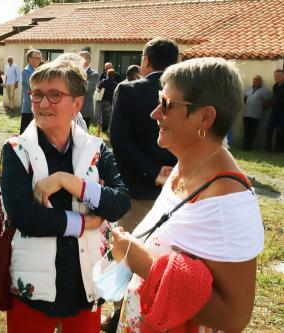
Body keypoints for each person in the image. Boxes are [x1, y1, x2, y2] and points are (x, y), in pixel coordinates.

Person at [111, 57, 264, 332]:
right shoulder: (185, 166)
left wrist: (139, 259)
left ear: (205, 117)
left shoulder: (227, 202)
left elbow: (233, 318)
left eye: (167, 104)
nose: (155, 113)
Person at [1, 60, 130, 333]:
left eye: (54, 95)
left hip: (85, 282)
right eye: (36, 94)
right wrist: (84, 222)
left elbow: (119, 203)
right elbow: (25, 216)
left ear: (77, 103)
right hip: (32, 285)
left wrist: (67, 181)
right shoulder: (16, 150)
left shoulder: (96, 149)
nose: (42, 103)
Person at [110, 37, 178, 233]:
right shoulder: (180, 93)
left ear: (145, 60)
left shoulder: (129, 90)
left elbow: (119, 140)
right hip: (173, 185)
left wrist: (153, 170)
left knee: (128, 252)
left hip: (137, 187)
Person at [242, 75, 271, 150]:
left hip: (255, 115)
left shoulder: (264, 91)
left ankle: (249, 147)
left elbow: (267, 103)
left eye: (257, 79)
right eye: (254, 79)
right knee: (246, 131)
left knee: (252, 132)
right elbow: (245, 99)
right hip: (247, 114)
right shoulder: (249, 89)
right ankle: (244, 146)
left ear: (260, 81)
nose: (255, 81)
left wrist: (259, 109)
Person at [20, 49, 42, 134]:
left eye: (40, 58)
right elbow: (29, 88)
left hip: (38, 105)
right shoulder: (26, 71)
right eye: (36, 58)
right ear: (29, 59)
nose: (39, 60)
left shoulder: (38, 70)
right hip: (29, 106)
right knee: (25, 131)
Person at [78, 51, 99, 129]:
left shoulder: (93, 74)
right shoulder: (75, 71)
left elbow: (86, 88)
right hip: (72, 109)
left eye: (79, 58)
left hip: (85, 110)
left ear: (86, 60)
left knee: (83, 135)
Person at [264, 69, 284, 152]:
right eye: (275, 76)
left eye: (279, 76)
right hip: (274, 112)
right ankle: (268, 149)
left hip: (283, 112)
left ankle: (278, 149)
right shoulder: (275, 86)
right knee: (268, 129)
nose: (277, 77)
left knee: (281, 131)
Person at [96, 68, 118, 136]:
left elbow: (98, 90)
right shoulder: (116, 84)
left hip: (102, 102)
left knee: (100, 117)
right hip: (111, 103)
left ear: (107, 74)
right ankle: (109, 133)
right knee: (109, 118)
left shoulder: (103, 81)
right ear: (114, 75)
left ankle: (98, 133)